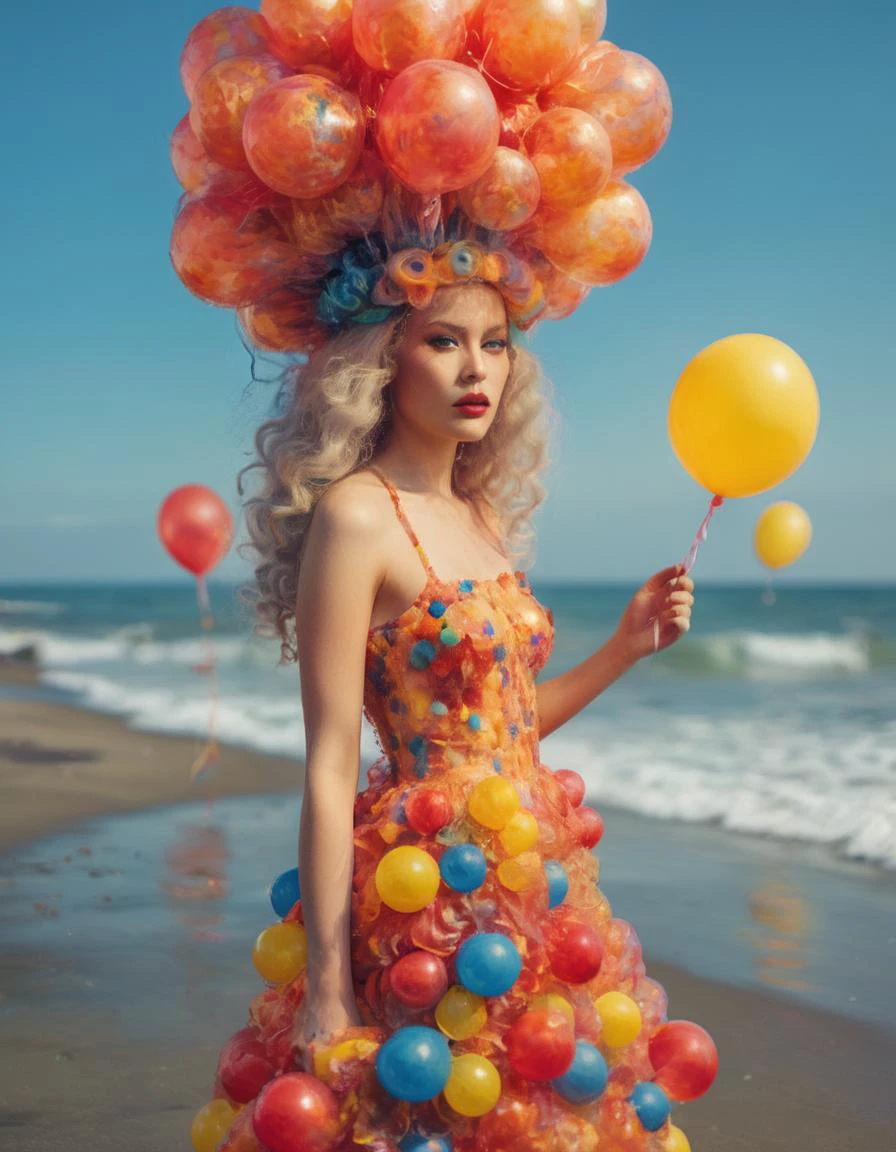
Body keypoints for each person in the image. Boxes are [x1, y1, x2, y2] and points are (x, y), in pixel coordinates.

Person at [225, 275, 698, 1151]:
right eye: (444, 340)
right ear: (380, 362)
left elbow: (503, 735)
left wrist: (624, 648)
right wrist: (329, 983)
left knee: (541, 1119)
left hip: (534, 883)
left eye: (495, 344)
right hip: (427, 898)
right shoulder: (359, 515)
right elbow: (330, 764)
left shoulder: (478, 516)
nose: (476, 368)